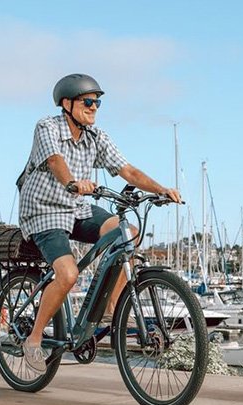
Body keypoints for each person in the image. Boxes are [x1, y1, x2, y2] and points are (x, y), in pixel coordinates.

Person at [18, 73, 180, 373]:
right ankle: (35, 338)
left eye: (97, 103)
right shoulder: (47, 127)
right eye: (88, 102)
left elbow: (127, 170)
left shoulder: (97, 137)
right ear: (66, 104)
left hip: (77, 209)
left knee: (126, 234)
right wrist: (72, 183)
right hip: (43, 210)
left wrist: (161, 190)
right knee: (67, 276)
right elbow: (55, 161)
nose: (94, 108)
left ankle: (110, 310)